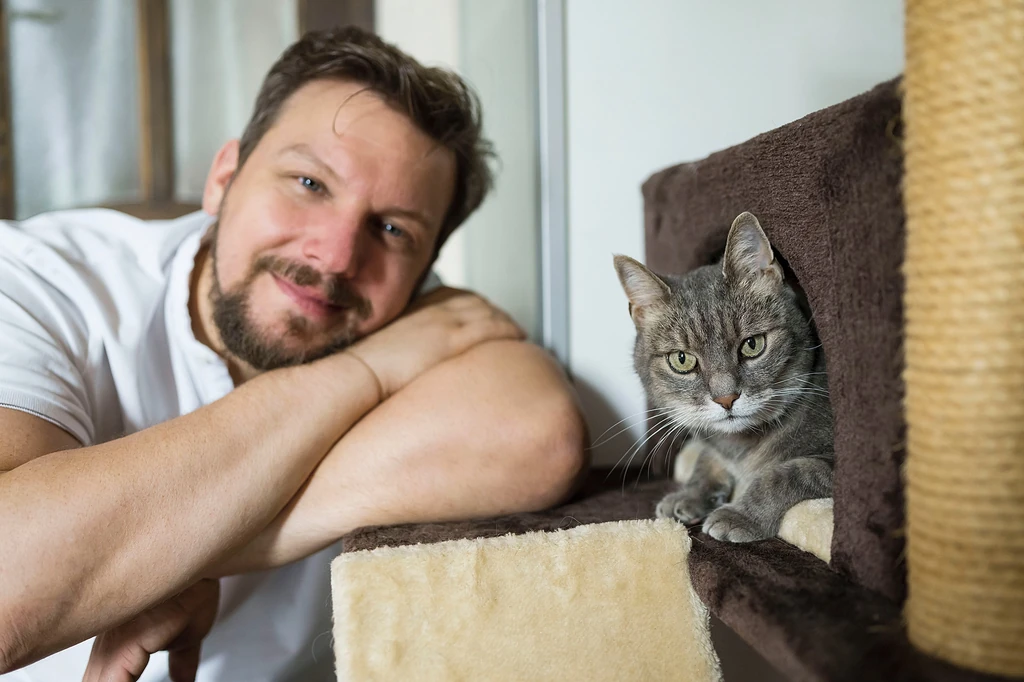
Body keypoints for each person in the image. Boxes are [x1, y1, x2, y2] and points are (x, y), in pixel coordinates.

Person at [0, 26, 587, 681]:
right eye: (309, 182)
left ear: (424, 275)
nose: (335, 256)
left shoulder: (423, 320)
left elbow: (542, 437)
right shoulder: (34, 279)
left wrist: (175, 554)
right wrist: (368, 370)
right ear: (223, 179)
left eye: (393, 229)